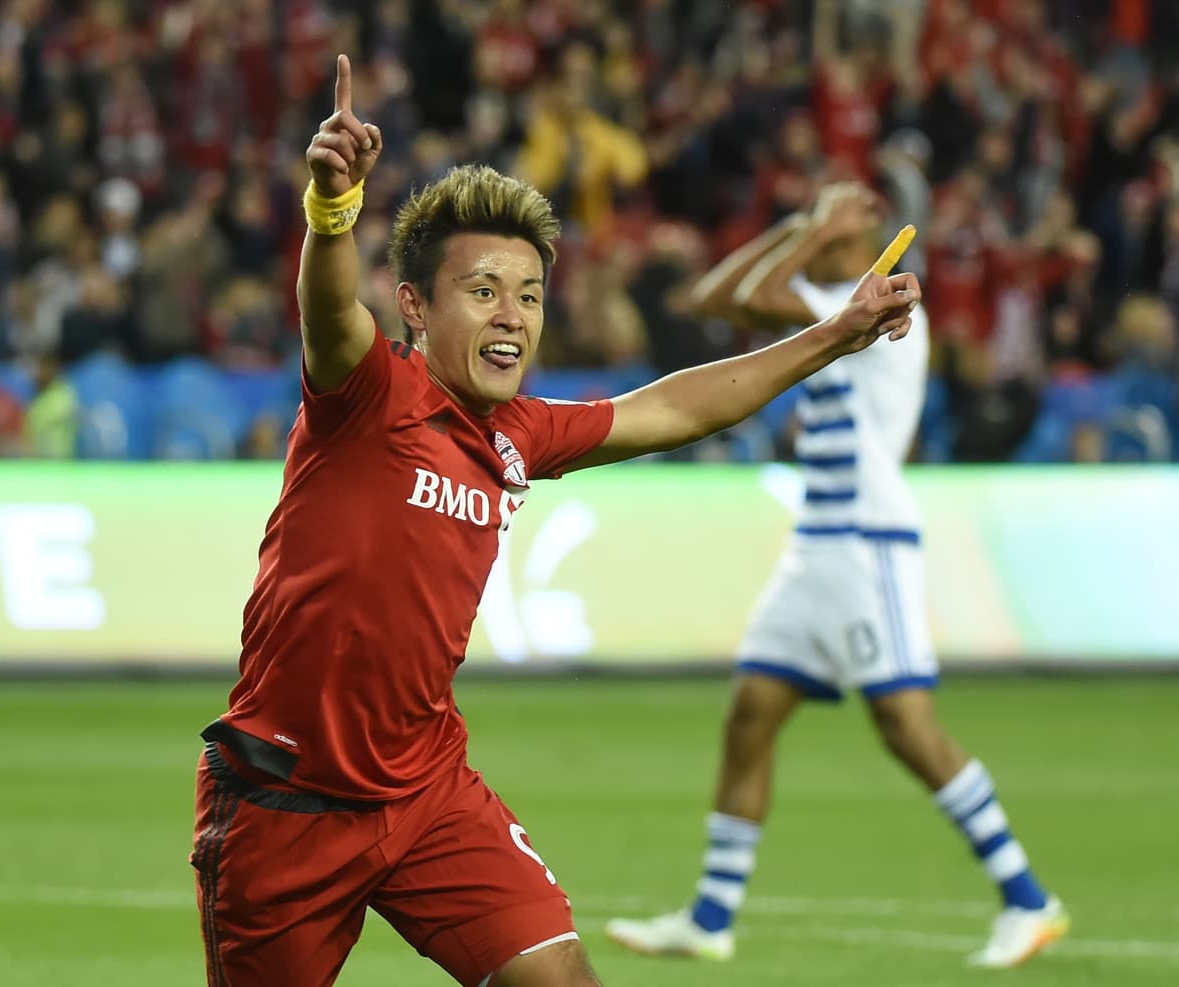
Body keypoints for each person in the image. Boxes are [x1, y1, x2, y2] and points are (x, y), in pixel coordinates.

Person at [190, 58, 920, 987]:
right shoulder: (367, 394)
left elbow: (679, 409)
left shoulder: (518, 432)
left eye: (529, 294)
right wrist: (332, 210)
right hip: (285, 802)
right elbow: (329, 310)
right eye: (483, 290)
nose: (513, 316)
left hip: (424, 791)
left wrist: (833, 334)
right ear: (413, 305)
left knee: (563, 980)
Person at [604, 183, 1068, 970]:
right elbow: (716, 296)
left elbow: (748, 294)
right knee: (751, 711)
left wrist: (809, 232)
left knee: (908, 730)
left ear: (859, 234)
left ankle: (1029, 899)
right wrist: (798, 226)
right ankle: (711, 915)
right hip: (815, 540)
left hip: (865, 541)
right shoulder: (820, 297)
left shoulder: (876, 304)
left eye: (831, 215)